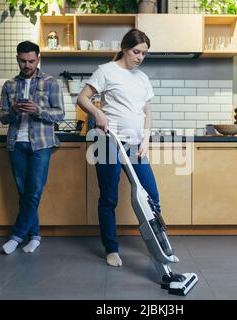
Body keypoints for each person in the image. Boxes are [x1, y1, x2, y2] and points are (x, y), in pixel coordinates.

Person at [77, 29, 160, 267]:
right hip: (107, 142)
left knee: (152, 196)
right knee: (109, 198)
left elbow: (147, 113)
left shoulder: (142, 78)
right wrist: (97, 111)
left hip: (135, 145)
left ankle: (156, 244)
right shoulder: (106, 71)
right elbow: (82, 98)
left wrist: (145, 139)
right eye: (136, 52)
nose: (140, 57)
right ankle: (111, 248)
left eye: (144, 53)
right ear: (125, 48)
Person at [0, 41, 64, 254]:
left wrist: (37, 110)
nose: (27, 65)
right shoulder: (9, 85)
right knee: (24, 192)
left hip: (41, 145)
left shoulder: (51, 82)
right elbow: (2, 116)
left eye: (31, 61)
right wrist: (15, 111)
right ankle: (34, 235)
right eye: (23, 61)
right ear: (17, 59)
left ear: (38, 60)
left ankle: (17, 236)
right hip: (16, 143)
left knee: (34, 191)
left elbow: (60, 115)